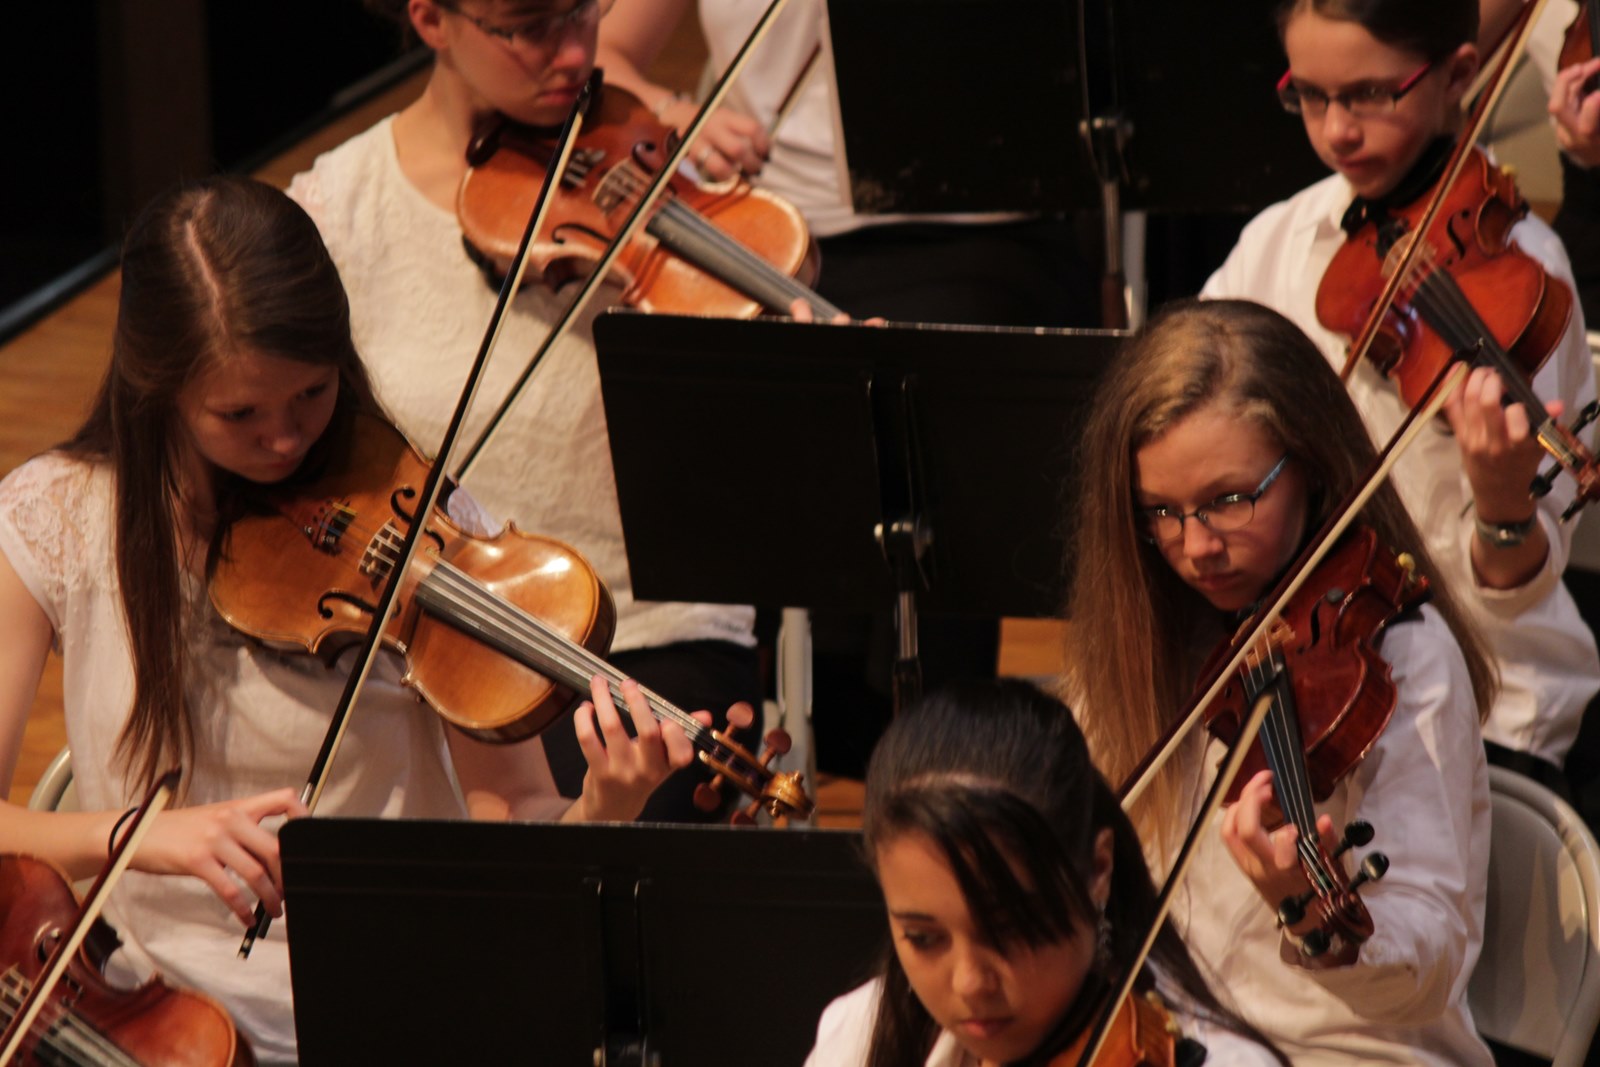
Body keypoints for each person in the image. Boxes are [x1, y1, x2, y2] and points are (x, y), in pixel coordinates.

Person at [0, 176, 724, 1064]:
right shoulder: (59, 515)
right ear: (159, 388)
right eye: (239, 413)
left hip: (400, 1006)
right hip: (147, 1017)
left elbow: (520, 819)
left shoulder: (425, 529)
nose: (283, 438)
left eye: (311, 394)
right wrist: (136, 836)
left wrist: (606, 805)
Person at [287, 0, 769, 820]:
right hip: (414, 649)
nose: (577, 53)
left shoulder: (649, 174)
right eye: (532, 27)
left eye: (586, 12)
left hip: (641, 637)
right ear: (432, 20)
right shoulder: (336, 212)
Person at [1064, 298, 1496, 1064]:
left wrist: (1309, 911)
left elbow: (1427, 969)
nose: (1197, 545)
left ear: (1311, 464)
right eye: (1161, 511)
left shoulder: (1405, 654)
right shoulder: (1152, 638)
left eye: (1229, 500)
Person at [1200, 0, 1600, 788]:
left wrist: (1503, 502)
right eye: (1311, 95)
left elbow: (1518, 592)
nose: (1336, 131)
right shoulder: (1277, 241)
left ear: (1458, 74)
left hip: (1488, 701)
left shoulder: (1524, 272)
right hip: (1306, 680)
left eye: (1370, 95)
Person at [802, 678, 1287, 1067]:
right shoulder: (854, 1036)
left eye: (1010, 928)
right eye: (924, 938)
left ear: (1098, 869)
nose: (970, 983)